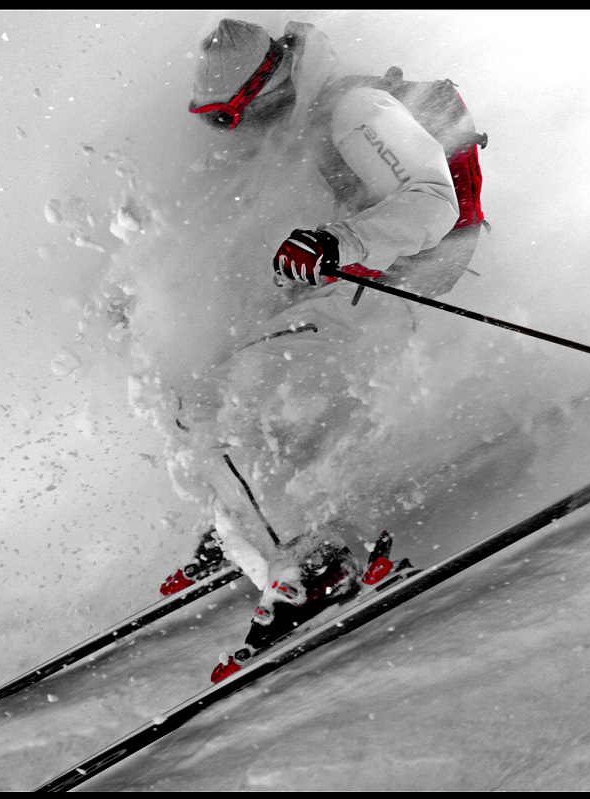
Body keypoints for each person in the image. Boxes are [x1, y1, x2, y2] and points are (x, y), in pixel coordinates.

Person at [158, 18, 486, 681]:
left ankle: (310, 564)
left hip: (394, 283)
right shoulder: (300, 130)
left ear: (268, 89)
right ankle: (258, 518)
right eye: (214, 122)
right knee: (212, 381)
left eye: (232, 117)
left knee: (214, 399)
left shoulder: (353, 109)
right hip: (359, 287)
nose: (232, 134)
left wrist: (338, 242)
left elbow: (434, 200)